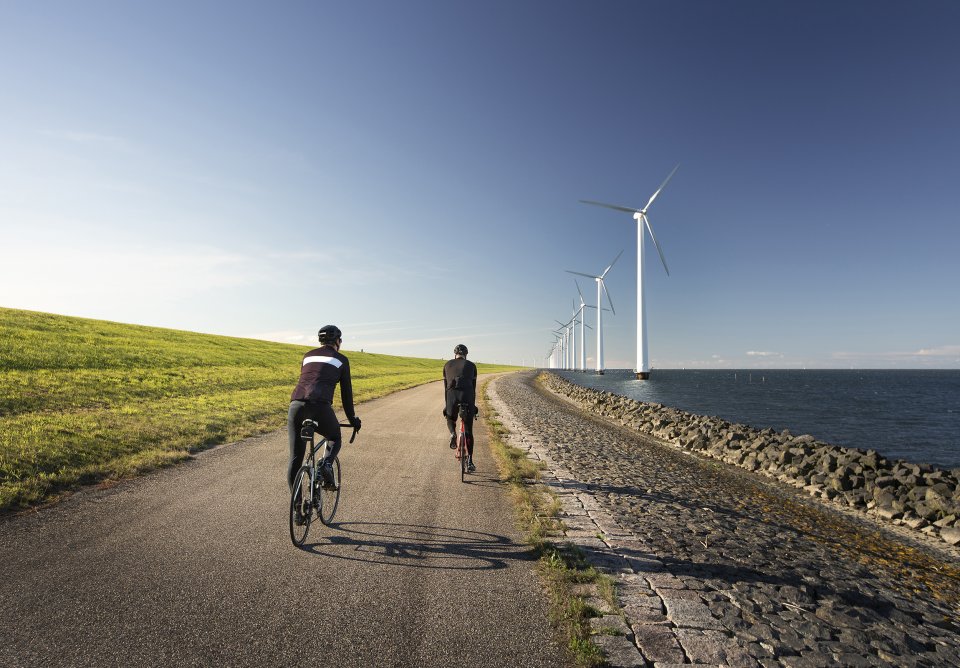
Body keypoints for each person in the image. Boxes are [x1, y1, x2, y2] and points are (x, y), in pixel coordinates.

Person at [287, 325, 361, 491]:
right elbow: (346, 395)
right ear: (338, 341)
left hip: (296, 405)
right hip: (320, 405)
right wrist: (352, 420)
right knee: (334, 437)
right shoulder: (341, 359)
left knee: (295, 458)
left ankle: (299, 510)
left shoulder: (307, 356)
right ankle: (325, 465)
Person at [443, 343, 478, 471]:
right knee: (468, 430)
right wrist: (473, 406)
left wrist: (447, 406)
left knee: (450, 417)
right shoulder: (472, 366)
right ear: (466, 355)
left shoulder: (447, 365)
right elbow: (473, 388)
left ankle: (452, 433)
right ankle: (470, 461)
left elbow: (446, 388)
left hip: (452, 396)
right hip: (467, 396)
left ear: (455, 355)